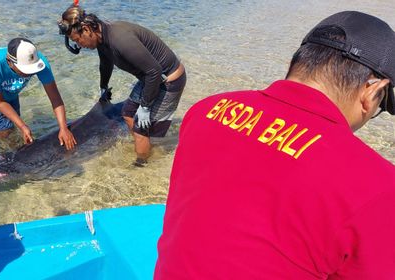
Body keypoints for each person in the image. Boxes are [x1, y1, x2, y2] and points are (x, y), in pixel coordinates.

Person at [155, 11, 395, 279]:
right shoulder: (379, 184)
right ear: (372, 91)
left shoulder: (205, 110)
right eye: (379, 106)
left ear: (299, 63)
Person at [58, 4, 186, 166]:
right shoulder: (102, 36)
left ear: (86, 29)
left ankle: (143, 164)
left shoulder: (120, 40)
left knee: (142, 126)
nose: (80, 45)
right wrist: (103, 87)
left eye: (78, 40)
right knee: (128, 112)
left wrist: (145, 107)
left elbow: (154, 71)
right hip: (150, 78)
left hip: (168, 81)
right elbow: (105, 63)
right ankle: (145, 144)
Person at [0, 37, 76, 150]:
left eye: (32, 69)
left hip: (10, 88)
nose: (30, 73)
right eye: (25, 70)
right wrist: (23, 126)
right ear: (10, 62)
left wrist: (63, 128)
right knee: (6, 128)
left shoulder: (38, 61)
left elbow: (55, 98)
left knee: (15, 121)